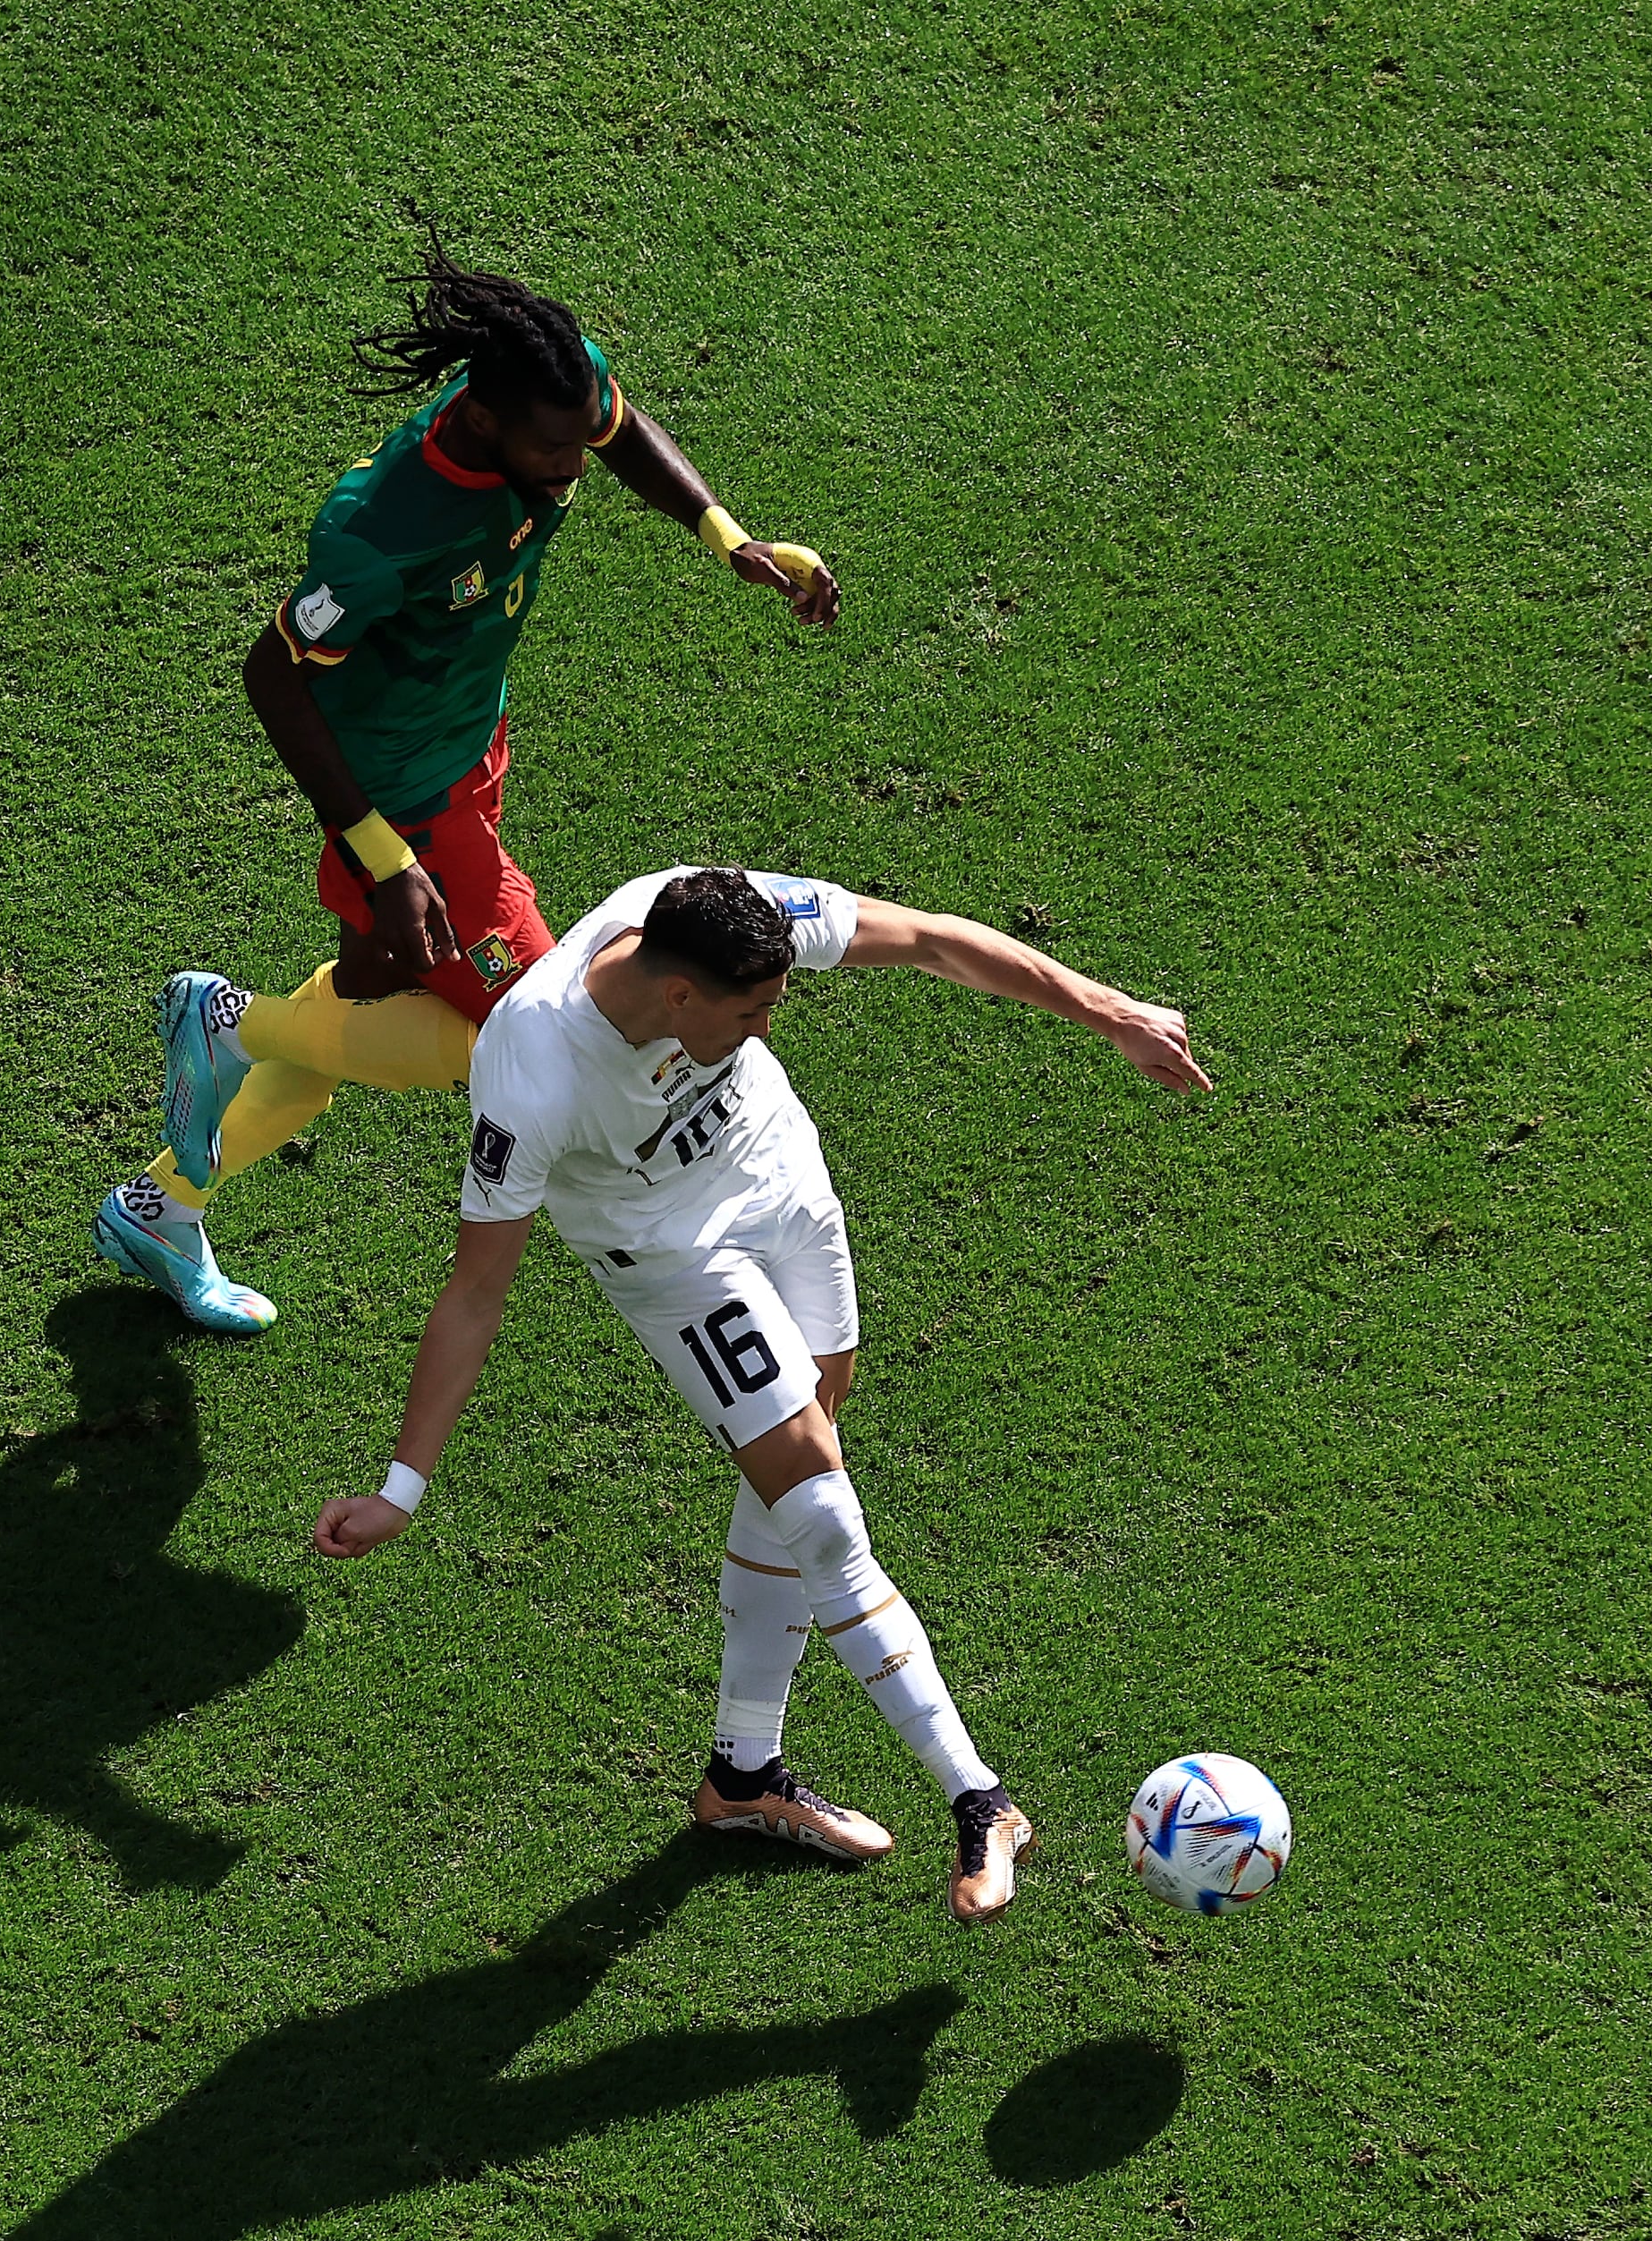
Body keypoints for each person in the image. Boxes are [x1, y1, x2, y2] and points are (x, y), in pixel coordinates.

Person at [306, 867, 1211, 1920]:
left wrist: (1111, 1014)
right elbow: (474, 1292)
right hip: (674, 1258)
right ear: (678, 996)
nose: (768, 1023)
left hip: (785, 1188)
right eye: (752, 1013)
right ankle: (980, 1798)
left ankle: (741, 1776)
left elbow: (924, 940)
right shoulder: (530, 1071)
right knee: (819, 1508)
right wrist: (402, 1488)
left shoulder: (711, 910)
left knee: (797, 1452)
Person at [92, 229, 843, 1334]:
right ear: (482, 422)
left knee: (361, 997)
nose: (572, 466)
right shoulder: (382, 534)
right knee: (527, 1031)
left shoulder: (554, 386)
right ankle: (232, 1028)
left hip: (469, 746)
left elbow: (618, 429)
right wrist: (383, 852)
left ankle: (165, 1193)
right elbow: (271, 678)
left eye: (574, 439)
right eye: (550, 450)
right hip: (403, 801)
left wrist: (723, 533)